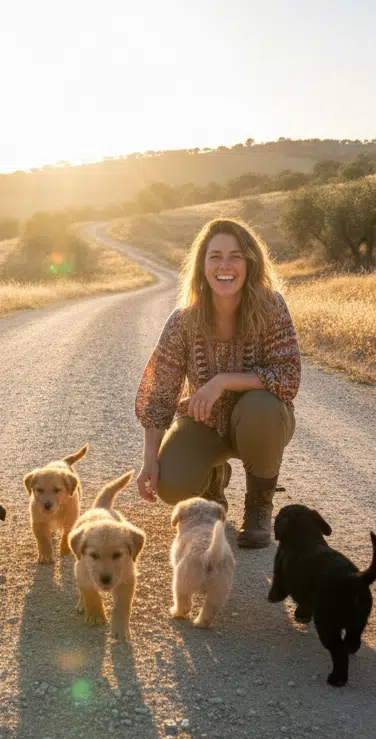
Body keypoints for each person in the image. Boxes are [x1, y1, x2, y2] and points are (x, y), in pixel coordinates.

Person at [135, 218, 301, 548]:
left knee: (262, 405)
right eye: (215, 257)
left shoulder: (271, 308)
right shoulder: (183, 320)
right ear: (202, 265)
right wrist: (149, 460)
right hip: (204, 423)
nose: (225, 266)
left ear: (250, 263)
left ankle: (258, 507)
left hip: (259, 424)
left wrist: (222, 381)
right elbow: (160, 394)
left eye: (235, 256)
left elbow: (288, 377)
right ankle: (213, 481)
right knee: (170, 484)